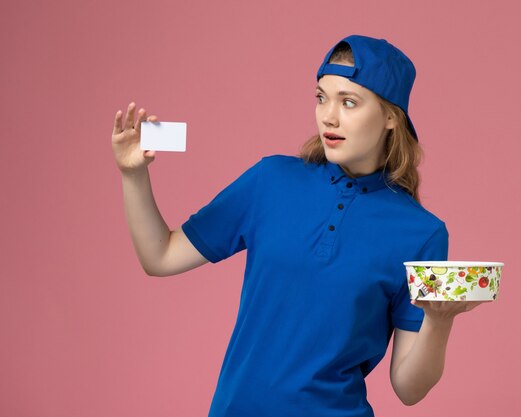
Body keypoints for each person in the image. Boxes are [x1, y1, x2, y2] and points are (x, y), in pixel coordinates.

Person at [111, 34, 484, 417]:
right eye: (321, 97)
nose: (329, 117)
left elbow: (408, 388)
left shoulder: (421, 233)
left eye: (349, 102)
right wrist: (133, 176)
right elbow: (160, 256)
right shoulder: (270, 181)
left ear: (391, 116)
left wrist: (439, 321)